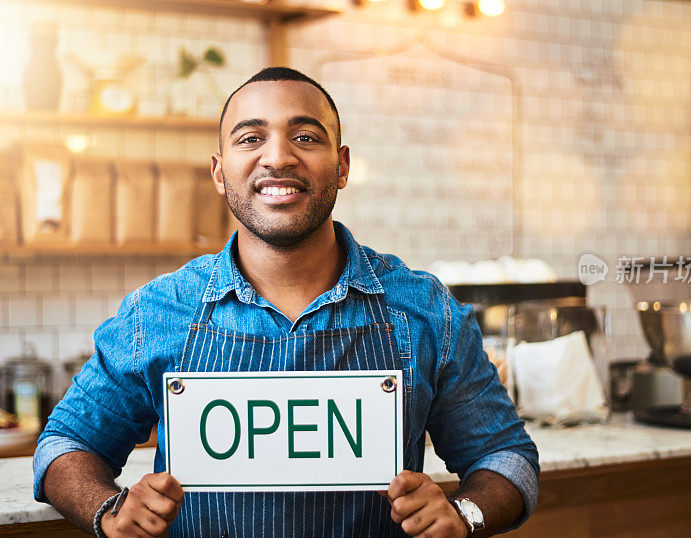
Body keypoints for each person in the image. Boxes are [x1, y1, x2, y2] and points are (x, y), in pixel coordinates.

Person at [33, 67, 539, 537]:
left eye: (305, 137)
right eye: (250, 138)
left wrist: (463, 515)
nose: (277, 157)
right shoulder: (158, 311)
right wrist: (109, 513)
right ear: (218, 172)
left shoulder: (426, 309)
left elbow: (506, 456)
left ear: (341, 166)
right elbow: (64, 445)